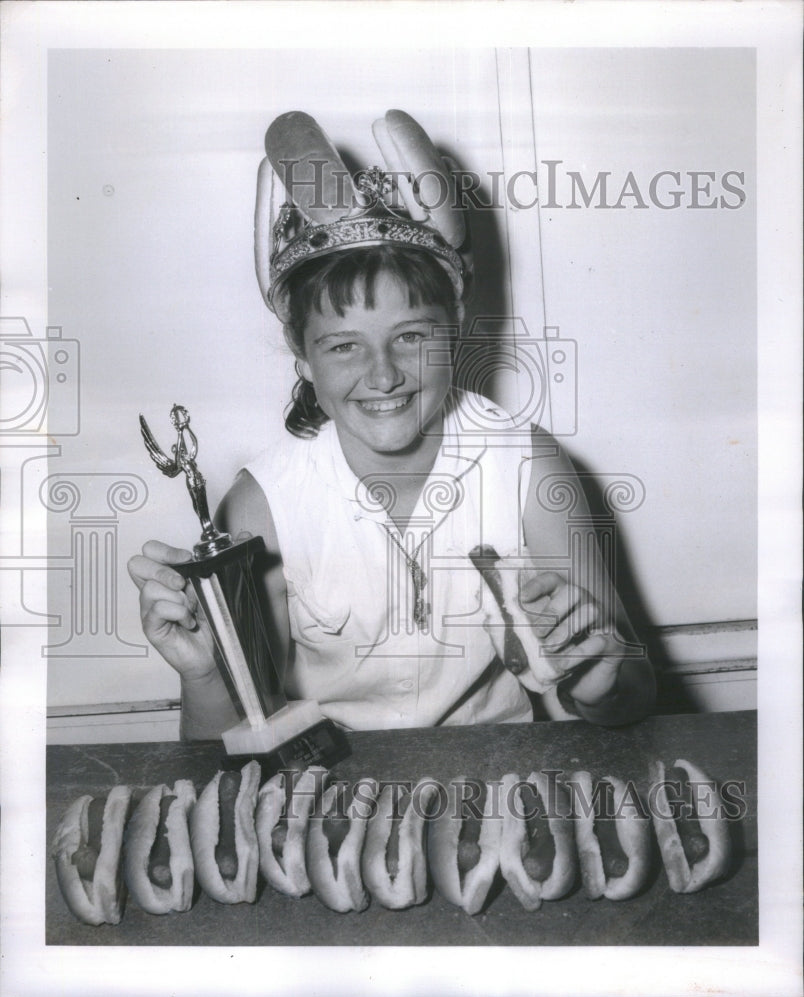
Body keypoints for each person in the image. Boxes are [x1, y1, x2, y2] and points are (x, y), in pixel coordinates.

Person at [128, 110, 655, 740]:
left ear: (453, 332)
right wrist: (204, 676)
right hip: (328, 799)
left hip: (499, 779)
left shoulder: (530, 466)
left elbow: (631, 699)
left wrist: (598, 675)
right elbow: (230, 743)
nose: (383, 376)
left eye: (411, 336)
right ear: (301, 355)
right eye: (344, 346)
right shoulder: (260, 506)